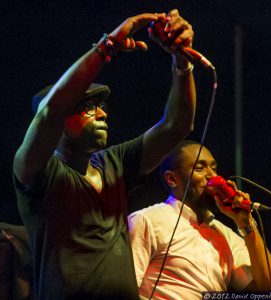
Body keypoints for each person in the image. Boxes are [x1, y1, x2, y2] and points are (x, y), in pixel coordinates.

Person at [13, 9, 197, 300]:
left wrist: (181, 60)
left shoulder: (114, 163)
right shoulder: (39, 174)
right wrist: (106, 45)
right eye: (88, 106)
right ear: (58, 125)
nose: (101, 114)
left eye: (102, 106)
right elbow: (51, 111)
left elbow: (177, 125)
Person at [128, 140, 271, 299]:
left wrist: (246, 224)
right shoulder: (147, 220)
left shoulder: (224, 234)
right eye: (200, 168)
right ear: (172, 179)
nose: (213, 176)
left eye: (214, 168)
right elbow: (121, 289)